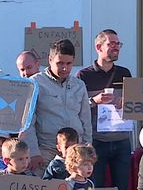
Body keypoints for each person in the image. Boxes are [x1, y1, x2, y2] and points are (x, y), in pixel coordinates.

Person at [77, 29, 133, 190]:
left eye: (119, 43)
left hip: (121, 140)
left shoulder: (124, 73)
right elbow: (78, 106)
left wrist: (125, 102)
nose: (116, 47)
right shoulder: (84, 75)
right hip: (96, 142)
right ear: (99, 47)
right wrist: (95, 101)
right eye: (112, 43)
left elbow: (133, 106)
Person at [21, 39, 92, 175]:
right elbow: (27, 122)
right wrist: (34, 152)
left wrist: (88, 146)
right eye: (60, 63)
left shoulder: (79, 85)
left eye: (69, 63)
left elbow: (86, 120)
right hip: (46, 150)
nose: (64, 68)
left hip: (75, 151)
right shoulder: (35, 83)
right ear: (50, 60)